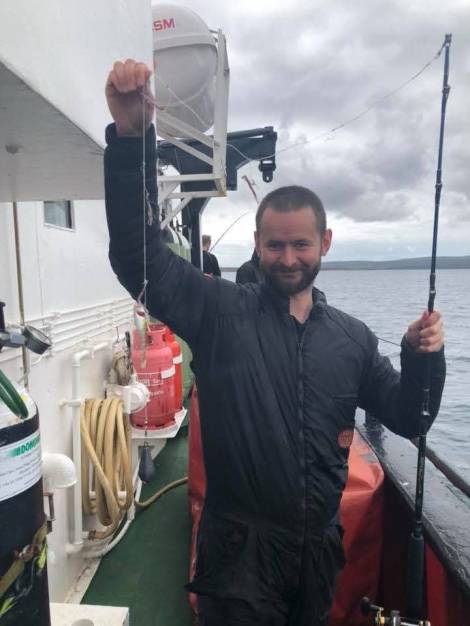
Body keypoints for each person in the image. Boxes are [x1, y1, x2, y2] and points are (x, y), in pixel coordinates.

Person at [104, 60, 446, 626]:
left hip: (317, 557)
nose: (288, 258)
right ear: (257, 244)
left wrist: (422, 358)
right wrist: (132, 140)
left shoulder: (353, 340)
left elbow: (414, 417)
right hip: (238, 557)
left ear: (325, 243)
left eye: (300, 245)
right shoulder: (218, 312)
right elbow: (137, 259)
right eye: (275, 245)